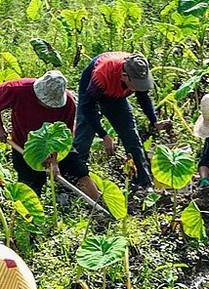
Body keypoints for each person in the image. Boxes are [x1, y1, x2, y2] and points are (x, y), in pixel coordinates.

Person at [62, 52, 161, 197]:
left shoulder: (138, 70)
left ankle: (144, 182)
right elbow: (88, 108)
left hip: (116, 96)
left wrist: (154, 121)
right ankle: (73, 182)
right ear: (124, 76)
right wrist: (104, 135)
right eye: (135, 85)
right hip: (91, 92)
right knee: (83, 139)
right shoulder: (102, 75)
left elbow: (143, 97)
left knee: (131, 137)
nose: (138, 88)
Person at [0, 70, 77, 196]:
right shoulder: (20, 89)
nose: (48, 107)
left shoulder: (68, 104)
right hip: (22, 146)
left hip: (49, 147)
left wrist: (54, 161)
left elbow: (63, 136)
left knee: (69, 175)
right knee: (29, 186)